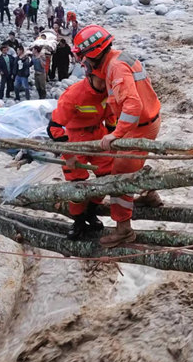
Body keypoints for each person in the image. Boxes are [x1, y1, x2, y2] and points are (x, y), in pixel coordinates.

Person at [74, 24, 162, 248]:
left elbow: (132, 106)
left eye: (84, 57)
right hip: (148, 121)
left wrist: (116, 134)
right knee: (132, 162)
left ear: (93, 54)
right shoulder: (118, 58)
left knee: (119, 177)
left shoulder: (116, 68)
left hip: (138, 126)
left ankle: (124, 230)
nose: (84, 63)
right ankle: (150, 194)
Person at [47, 73, 116, 239]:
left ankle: (91, 213)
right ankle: (78, 221)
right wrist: (69, 155)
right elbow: (54, 128)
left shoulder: (108, 90)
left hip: (99, 136)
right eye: (100, 80)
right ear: (90, 76)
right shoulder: (73, 95)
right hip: (75, 139)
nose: (103, 84)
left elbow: (111, 114)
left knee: (106, 178)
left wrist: (113, 135)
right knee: (77, 184)